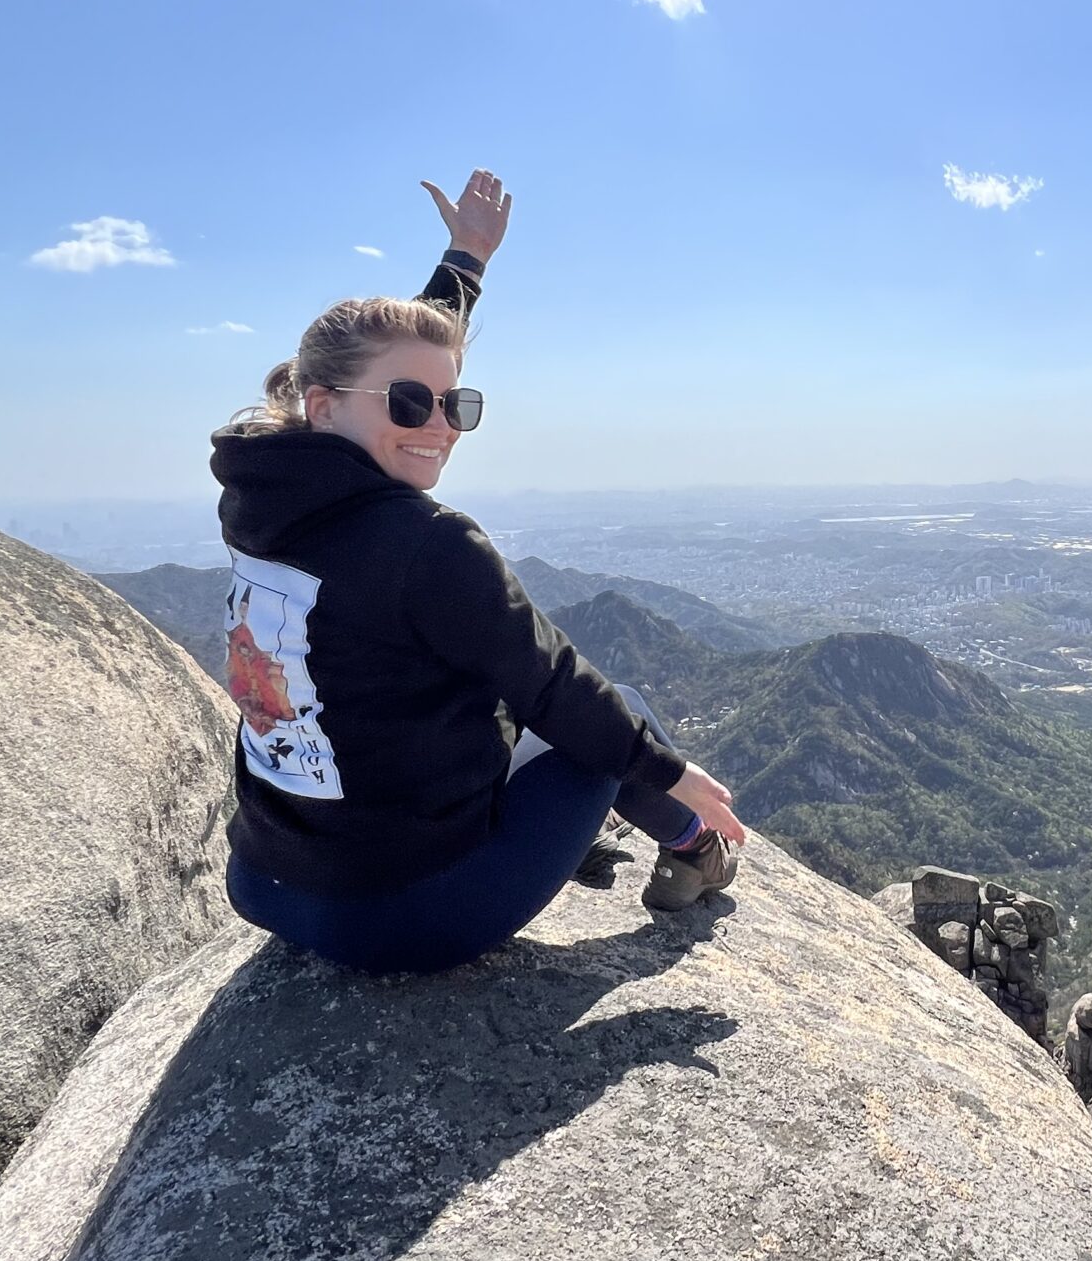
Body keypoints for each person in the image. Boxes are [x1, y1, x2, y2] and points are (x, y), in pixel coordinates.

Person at [210, 166, 746, 974]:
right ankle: (696, 853)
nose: (439, 427)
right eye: (410, 406)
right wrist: (671, 775)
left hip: (268, 883)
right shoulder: (426, 542)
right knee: (616, 714)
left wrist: (465, 259)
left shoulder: (264, 495)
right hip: (403, 918)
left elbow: (398, 359)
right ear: (324, 406)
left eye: (455, 404)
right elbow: (558, 688)